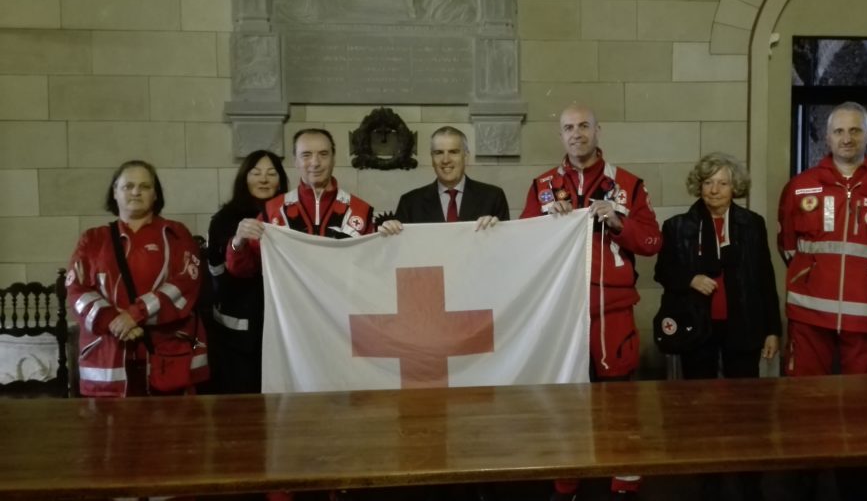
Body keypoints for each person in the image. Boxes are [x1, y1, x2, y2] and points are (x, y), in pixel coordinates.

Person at [521, 104, 662, 501]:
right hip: (563, 316)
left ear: (599, 131)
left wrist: (619, 223)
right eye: (569, 127)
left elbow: (653, 243)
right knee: (566, 404)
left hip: (612, 315)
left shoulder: (628, 185)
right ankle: (567, 486)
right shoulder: (543, 185)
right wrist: (546, 221)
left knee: (619, 406)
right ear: (560, 135)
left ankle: (624, 485)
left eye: (584, 126)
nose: (577, 133)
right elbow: (523, 245)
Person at [654, 152, 780, 501]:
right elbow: (662, 272)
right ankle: (707, 477)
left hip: (744, 326)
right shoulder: (678, 226)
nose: (715, 190)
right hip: (699, 329)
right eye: (708, 182)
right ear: (699, 185)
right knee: (702, 407)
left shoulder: (752, 224)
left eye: (723, 183)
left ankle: (749, 479)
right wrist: (691, 278)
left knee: (746, 409)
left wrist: (773, 329)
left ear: (734, 187)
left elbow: (765, 277)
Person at [777, 101, 867, 376]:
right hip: (809, 308)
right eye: (839, 131)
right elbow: (788, 246)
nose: (847, 138)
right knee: (805, 395)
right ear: (828, 137)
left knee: (865, 400)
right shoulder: (801, 186)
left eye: (855, 131)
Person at [66, 160, 209, 397]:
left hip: (167, 358)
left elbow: (185, 285)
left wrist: (135, 315)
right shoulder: (93, 240)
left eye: (145, 186)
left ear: (155, 194)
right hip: (108, 361)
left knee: (173, 432)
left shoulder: (176, 234)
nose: (136, 192)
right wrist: (112, 320)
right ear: (114, 192)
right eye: (128, 186)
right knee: (109, 433)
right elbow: (76, 290)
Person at [227, 128, 377, 278]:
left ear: (333, 159)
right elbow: (242, 270)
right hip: (288, 301)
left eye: (323, 154)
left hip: (342, 301)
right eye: (306, 155)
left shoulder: (361, 210)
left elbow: (375, 267)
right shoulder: (272, 210)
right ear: (295, 161)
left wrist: (392, 235)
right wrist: (238, 243)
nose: (315, 163)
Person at [206, 150, 289, 394]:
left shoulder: (289, 217)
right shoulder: (224, 219)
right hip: (237, 337)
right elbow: (217, 276)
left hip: (283, 329)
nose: (264, 179)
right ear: (244, 177)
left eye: (271, 173)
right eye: (256, 173)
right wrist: (237, 242)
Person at [380, 126, 508, 235]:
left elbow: (506, 250)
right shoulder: (410, 203)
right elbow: (401, 255)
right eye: (439, 152)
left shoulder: (493, 197)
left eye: (453, 152)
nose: (446, 160)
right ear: (432, 158)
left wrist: (497, 231)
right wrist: (390, 233)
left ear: (466, 156)